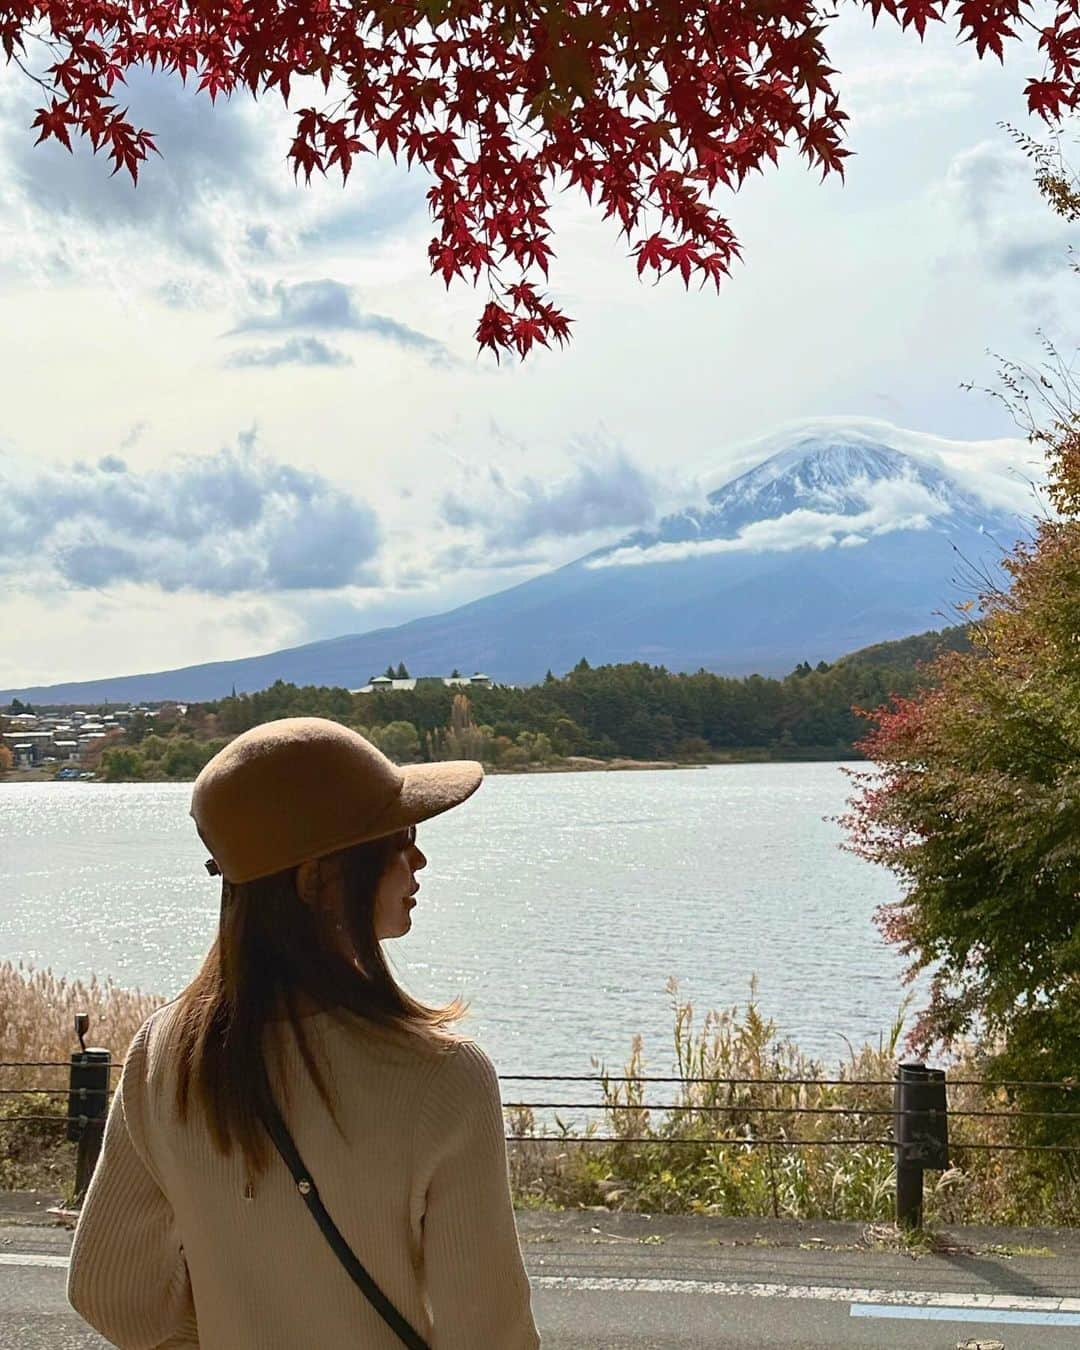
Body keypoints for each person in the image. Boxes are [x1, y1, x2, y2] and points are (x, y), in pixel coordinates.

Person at [67, 716, 541, 1349]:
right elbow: (489, 1335)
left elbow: (108, 1290)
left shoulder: (164, 1052)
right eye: (398, 836)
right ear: (316, 879)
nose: (418, 855)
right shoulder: (441, 1075)